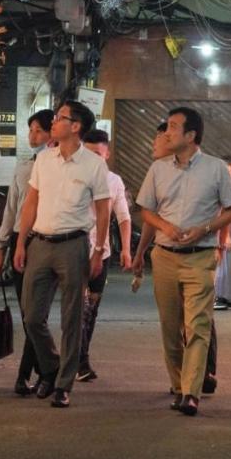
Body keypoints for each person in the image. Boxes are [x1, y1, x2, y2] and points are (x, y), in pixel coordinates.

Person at [137, 107, 231, 416]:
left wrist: (204, 230)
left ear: (191, 135)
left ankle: (191, 392)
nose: (166, 132)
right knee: (171, 327)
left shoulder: (216, 168)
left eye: (172, 127)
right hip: (165, 257)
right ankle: (179, 384)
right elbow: (146, 211)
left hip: (200, 257)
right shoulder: (158, 169)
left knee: (197, 325)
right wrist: (165, 228)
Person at [12, 100, 110, 408]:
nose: (53, 122)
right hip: (40, 243)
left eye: (59, 118)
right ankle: (52, 366)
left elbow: (104, 210)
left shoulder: (94, 164)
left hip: (74, 245)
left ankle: (63, 385)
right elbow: (31, 203)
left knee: (72, 317)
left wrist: (98, 251)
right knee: (31, 315)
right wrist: (20, 243)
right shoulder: (44, 161)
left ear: (76, 126)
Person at [0, 109, 55, 396]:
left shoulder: (56, 166)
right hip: (20, 238)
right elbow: (12, 209)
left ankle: (35, 373)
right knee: (29, 312)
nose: (32, 136)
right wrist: (1, 247)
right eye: (30, 130)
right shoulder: (24, 166)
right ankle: (38, 373)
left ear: (53, 133)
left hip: (44, 239)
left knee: (34, 313)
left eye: (38, 131)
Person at [77, 129, 133, 383]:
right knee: (78, 307)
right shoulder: (73, 177)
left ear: (107, 154)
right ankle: (77, 361)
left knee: (92, 308)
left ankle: (81, 357)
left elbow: (123, 217)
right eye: (88, 154)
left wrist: (127, 250)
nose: (94, 159)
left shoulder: (114, 181)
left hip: (102, 252)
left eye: (98, 154)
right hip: (74, 250)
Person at [214, 157, 231, 310]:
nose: (230, 170)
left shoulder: (230, 185)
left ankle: (227, 295)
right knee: (221, 263)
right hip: (222, 226)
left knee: (229, 263)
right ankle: (217, 296)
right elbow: (222, 211)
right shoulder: (219, 185)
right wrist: (226, 235)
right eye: (227, 167)